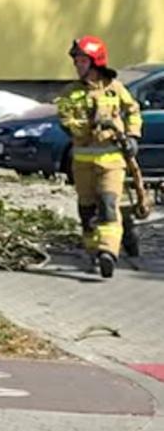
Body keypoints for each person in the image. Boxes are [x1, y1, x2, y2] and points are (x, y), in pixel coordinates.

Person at [56, 36, 142, 278]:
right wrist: (88, 126)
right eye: (76, 60)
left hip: (112, 161)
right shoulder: (70, 93)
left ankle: (108, 253)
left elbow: (133, 111)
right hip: (82, 164)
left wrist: (133, 136)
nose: (77, 65)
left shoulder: (115, 89)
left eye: (82, 60)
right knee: (86, 210)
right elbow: (65, 122)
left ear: (96, 62)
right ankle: (93, 251)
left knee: (107, 204)